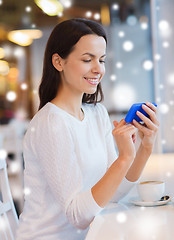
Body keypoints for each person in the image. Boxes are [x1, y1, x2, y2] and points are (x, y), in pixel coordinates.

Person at [15, 18, 159, 240]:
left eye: (101, 60)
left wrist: (144, 149)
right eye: (87, 59)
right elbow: (77, 215)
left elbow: (112, 195)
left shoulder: (97, 114)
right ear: (58, 62)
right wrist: (123, 159)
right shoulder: (51, 123)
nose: (97, 69)